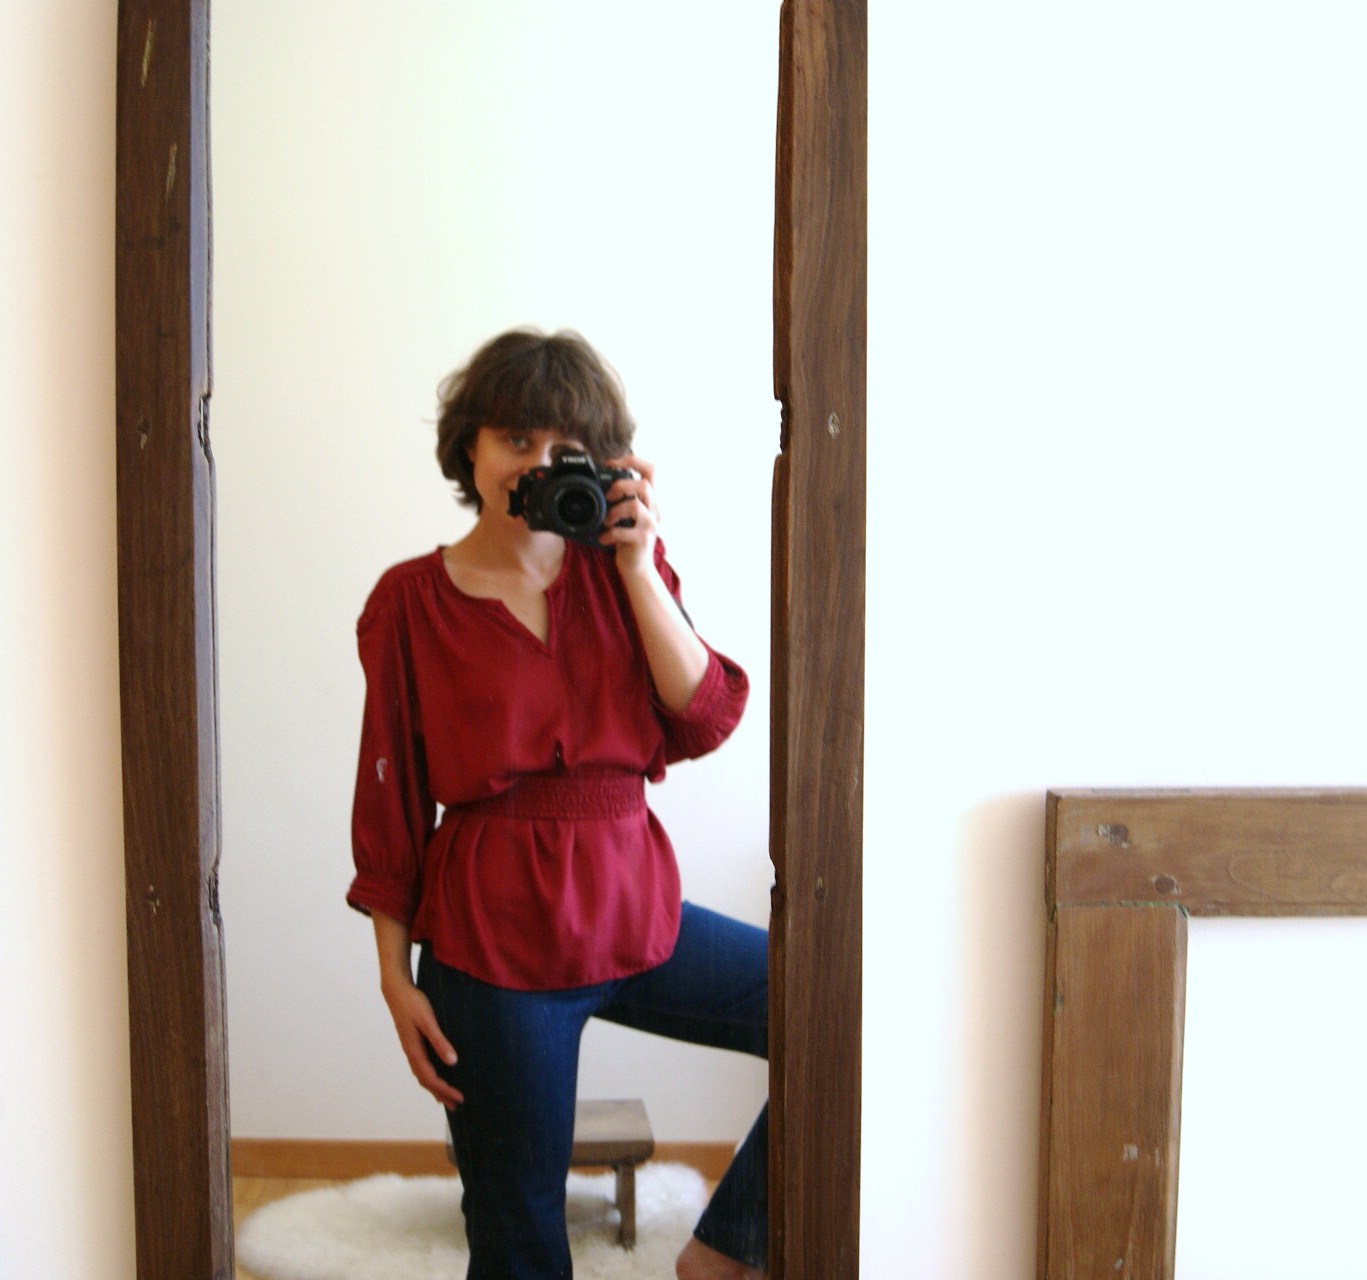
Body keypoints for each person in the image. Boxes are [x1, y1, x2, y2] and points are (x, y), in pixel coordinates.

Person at [347, 328, 768, 1279]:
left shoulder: (625, 571)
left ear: (605, 463)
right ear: (469, 449)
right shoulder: (410, 602)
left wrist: (637, 566)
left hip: (633, 909)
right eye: (515, 439)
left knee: (827, 1009)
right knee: (517, 1229)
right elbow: (389, 798)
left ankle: (722, 1253)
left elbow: (703, 714)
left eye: (564, 447)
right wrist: (393, 977)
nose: (538, 464)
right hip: (491, 946)